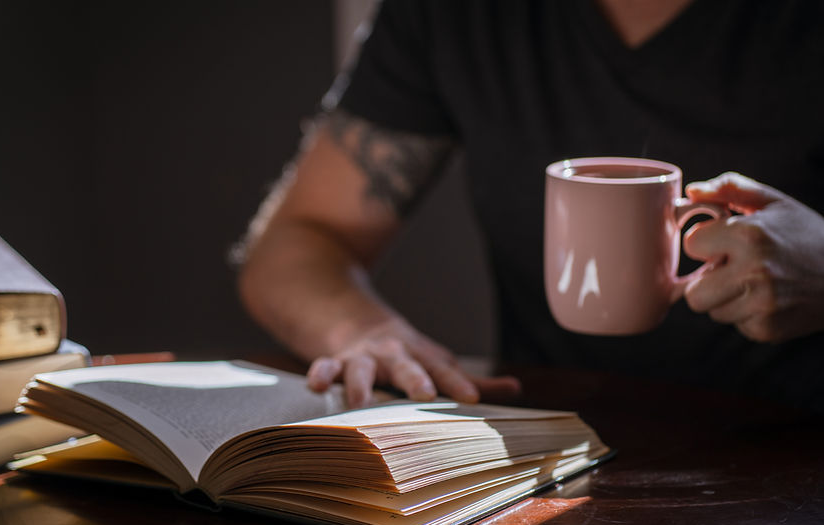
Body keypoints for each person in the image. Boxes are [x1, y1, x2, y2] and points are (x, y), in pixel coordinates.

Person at [237, 0, 824, 411]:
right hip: (546, 462)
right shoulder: (457, 13)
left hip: (795, 475)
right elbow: (299, 237)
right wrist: (360, 332)